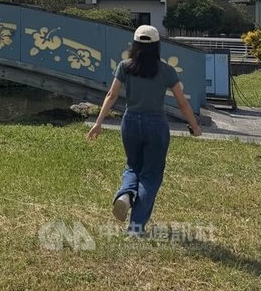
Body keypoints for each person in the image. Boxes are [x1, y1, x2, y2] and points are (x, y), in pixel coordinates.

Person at [86, 24, 202, 236]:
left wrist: (98, 122)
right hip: (156, 124)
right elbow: (182, 103)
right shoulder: (167, 71)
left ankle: (125, 194)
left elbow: (111, 95)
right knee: (150, 174)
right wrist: (194, 126)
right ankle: (136, 227)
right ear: (158, 46)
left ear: (135, 44)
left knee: (133, 165)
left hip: (130, 121)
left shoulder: (125, 66)